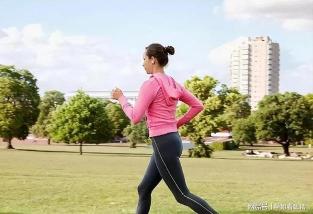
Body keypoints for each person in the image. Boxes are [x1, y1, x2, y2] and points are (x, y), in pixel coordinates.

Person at [111, 43, 218, 214]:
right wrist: (176, 124)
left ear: (153, 60)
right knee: (144, 189)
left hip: (162, 143)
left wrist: (121, 98)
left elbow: (135, 117)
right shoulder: (172, 83)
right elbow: (197, 105)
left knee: (182, 195)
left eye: (144, 59)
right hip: (172, 141)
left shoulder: (150, 84)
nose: (142, 63)